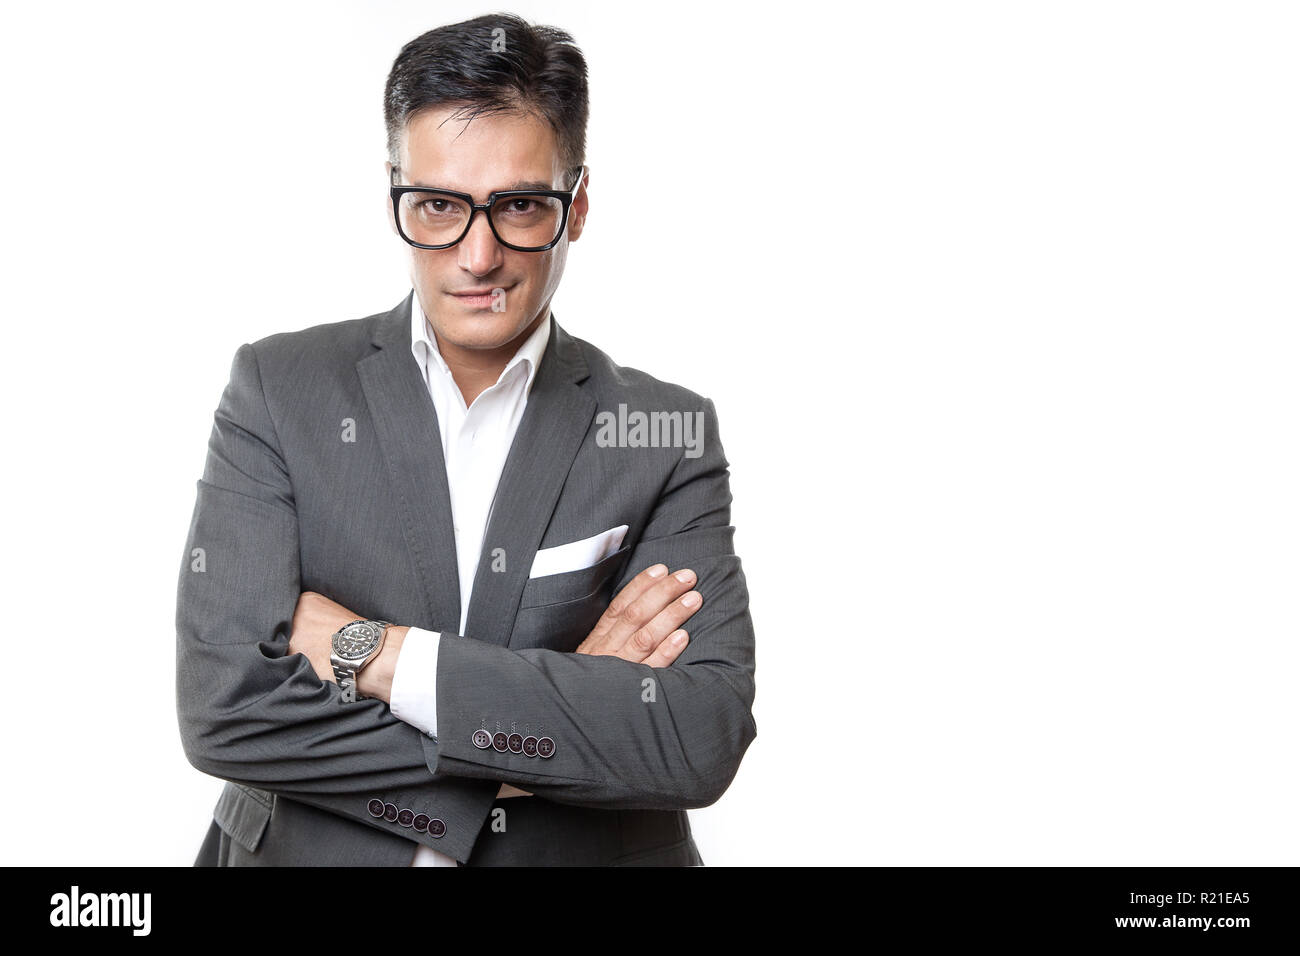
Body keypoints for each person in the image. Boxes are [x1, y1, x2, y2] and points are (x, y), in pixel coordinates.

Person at [177, 12, 756, 866]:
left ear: (578, 205)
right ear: (395, 198)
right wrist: (549, 730)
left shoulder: (664, 433)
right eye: (440, 205)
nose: (477, 255)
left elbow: (695, 737)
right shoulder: (278, 389)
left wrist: (376, 654)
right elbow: (223, 708)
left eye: (520, 206)